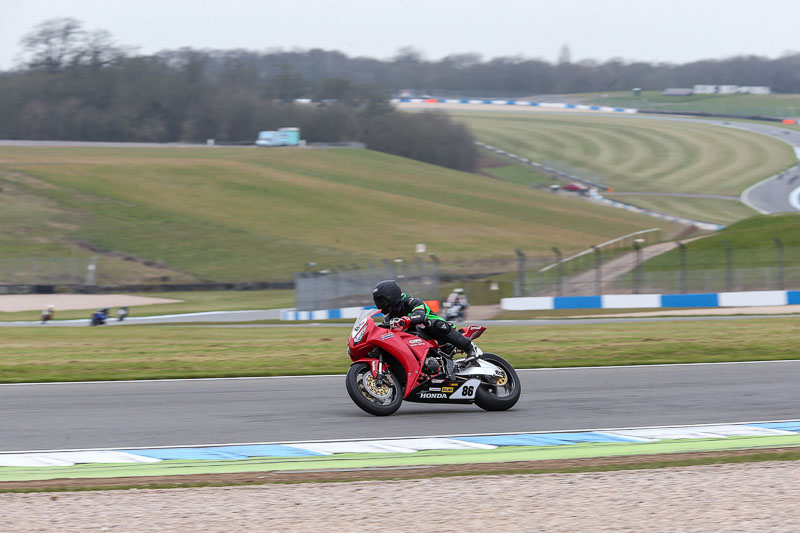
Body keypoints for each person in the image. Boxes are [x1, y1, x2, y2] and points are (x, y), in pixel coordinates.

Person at [372, 279, 482, 379]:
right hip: (418, 341)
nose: (380, 304)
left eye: (382, 300)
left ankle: (470, 348)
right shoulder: (388, 318)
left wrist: (407, 319)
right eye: (378, 302)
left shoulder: (411, 301)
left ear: (392, 295)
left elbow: (420, 315)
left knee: (432, 323)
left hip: (437, 333)